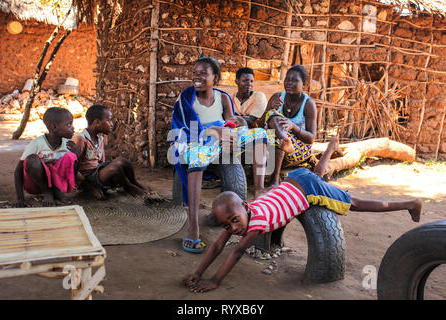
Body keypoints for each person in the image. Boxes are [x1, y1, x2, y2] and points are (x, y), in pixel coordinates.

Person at [182, 141, 422, 292]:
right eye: (227, 224)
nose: (232, 227)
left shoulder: (257, 222)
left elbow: (235, 251)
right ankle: (330, 147)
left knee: (355, 203)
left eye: (234, 220)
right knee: (317, 174)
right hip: (294, 179)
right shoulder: (241, 213)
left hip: (305, 190)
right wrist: (197, 272)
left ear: (245, 206)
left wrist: (214, 280)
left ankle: (410, 203)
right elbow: (217, 246)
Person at [170, 57, 268, 253]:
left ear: (215, 77)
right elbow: (182, 131)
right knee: (196, 157)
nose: (197, 77)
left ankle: (259, 189)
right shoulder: (186, 98)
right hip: (196, 141)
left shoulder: (222, 97)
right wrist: (212, 130)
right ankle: (193, 227)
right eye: (195, 73)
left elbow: (230, 120)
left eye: (203, 73)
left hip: (222, 140)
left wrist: (236, 124)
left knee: (261, 134)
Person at [258, 65, 317, 187]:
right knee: (272, 115)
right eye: (287, 80)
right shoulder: (277, 97)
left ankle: (274, 180)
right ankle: (285, 140)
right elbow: (259, 124)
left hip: (298, 148)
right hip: (276, 145)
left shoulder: (308, 104)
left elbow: (311, 138)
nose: (289, 83)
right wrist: (270, 108)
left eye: (295, 80)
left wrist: (293, 126)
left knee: (279, 137)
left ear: (304, 84)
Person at [72, 104, 147, 200]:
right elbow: (72, 169)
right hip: (87, 181)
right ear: (97, 122)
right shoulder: (81, 139)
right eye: (109, 120)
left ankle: (134, 183)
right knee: (115, 168)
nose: (112, 124)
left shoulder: (100, 138)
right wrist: (91, 189)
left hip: (98, 175)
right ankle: (128, 187)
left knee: (122, 161)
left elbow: (101, 163)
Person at [14, 107, 80, 207]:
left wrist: (76, 155)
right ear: (54, 127)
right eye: (69, 124)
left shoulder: (69, 145)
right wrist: (20, 198)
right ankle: (48, 192)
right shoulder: (37, 143)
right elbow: (18, 170)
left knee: (71, 157)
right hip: (36, 185)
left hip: (59, 183)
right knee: (32, 160)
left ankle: (58, 191)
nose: (73, 128)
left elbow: (72, 172)